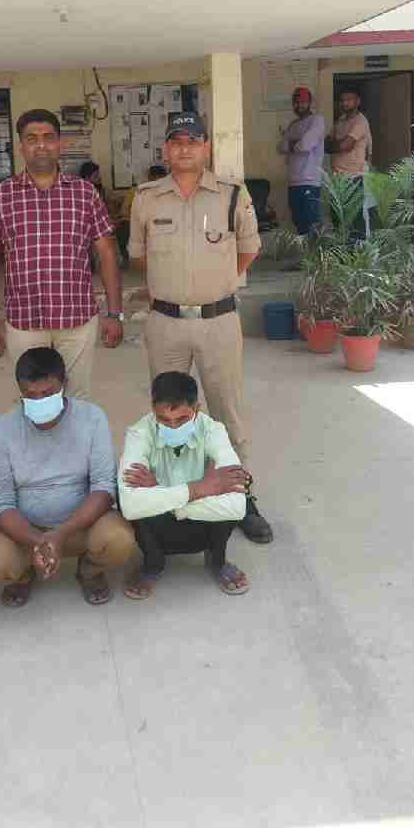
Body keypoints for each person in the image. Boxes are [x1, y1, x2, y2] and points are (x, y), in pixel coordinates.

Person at [128, 112, 273, 545]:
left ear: (206, 147)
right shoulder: (147, 198)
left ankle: (242, 497)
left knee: (227, 413)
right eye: (176, 141)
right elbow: (140, 255)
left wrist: (215, 284)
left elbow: (248, 250)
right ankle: (171, 498)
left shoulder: (232, 194)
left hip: (218, 321)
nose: (185, 148)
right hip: (166, 323)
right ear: (165, 149)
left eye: (193, 140)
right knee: (168, 415)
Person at [0, 109, 124, 399]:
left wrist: (115, 313)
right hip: (24, 321)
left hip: (77, 319)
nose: (40, 145)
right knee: (33, 401)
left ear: (60, 143)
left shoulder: (85, 193)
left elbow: (106, 253)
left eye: (48, 137)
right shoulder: (0, 196)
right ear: (21, 146)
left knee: (77, 400)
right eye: (31, 138)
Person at [0, 347, 134, 608]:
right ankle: (24, 574)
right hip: (27, 532)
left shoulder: (92, 418)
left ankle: (90, 570)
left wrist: (60, 534)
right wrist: (38, 540)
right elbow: (1, 502)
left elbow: (104, 488)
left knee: (120, 540)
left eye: (48, 393)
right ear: (20, 391)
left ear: (64, 385)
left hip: (83, 526)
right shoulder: (2, 430)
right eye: (30, 395)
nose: (39, 401)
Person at [119, 371, 250, 599]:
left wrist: (158, 491)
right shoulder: (139, 433)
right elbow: (130, 506)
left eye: (181, 419)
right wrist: (200, 489)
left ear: (196, 409)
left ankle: (217, 560)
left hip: (199, 522)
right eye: (163, 419)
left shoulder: (214, 431)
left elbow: (237, 507)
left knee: (232, 491)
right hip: (160, 524)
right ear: (153, 409)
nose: (172, 427)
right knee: (127, 496)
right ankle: (153, 564)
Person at [276, 86, 325, 236]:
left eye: (303, 102)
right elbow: (281, 147)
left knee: (311, 225)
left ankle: (315, 252)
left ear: (310, 103)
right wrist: (297, 143)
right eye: (296, 102)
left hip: (310, 181)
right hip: (293, 182)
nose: (299, 105)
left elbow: (305, 145)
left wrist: (292, 144)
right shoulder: (293, 125)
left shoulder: (316, 120)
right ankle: (305, 252)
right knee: (299, 224)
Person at [325, 90, 373, 241]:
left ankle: (359, 252)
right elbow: (326, 144)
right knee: (338, 218)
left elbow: (345, 145)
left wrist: (337, 144)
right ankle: (344, 251)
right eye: (342, 100)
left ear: (357, 101)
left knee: (354, 220)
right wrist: (338, 145)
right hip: (337, 178)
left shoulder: (360, 121)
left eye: (349, 99)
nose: (345, 103)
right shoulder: (340, 120)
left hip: (353, 178)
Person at [117, 164, 166, 267]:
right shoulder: (138, 191)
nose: (157, 182)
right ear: (149, 177)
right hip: (138, 221)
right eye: (154, 178)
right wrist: (137, 218)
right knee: (122, 228)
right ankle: (126, 258)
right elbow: (123, 211)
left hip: (161, 223)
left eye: (160, 179)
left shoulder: (169, 192)